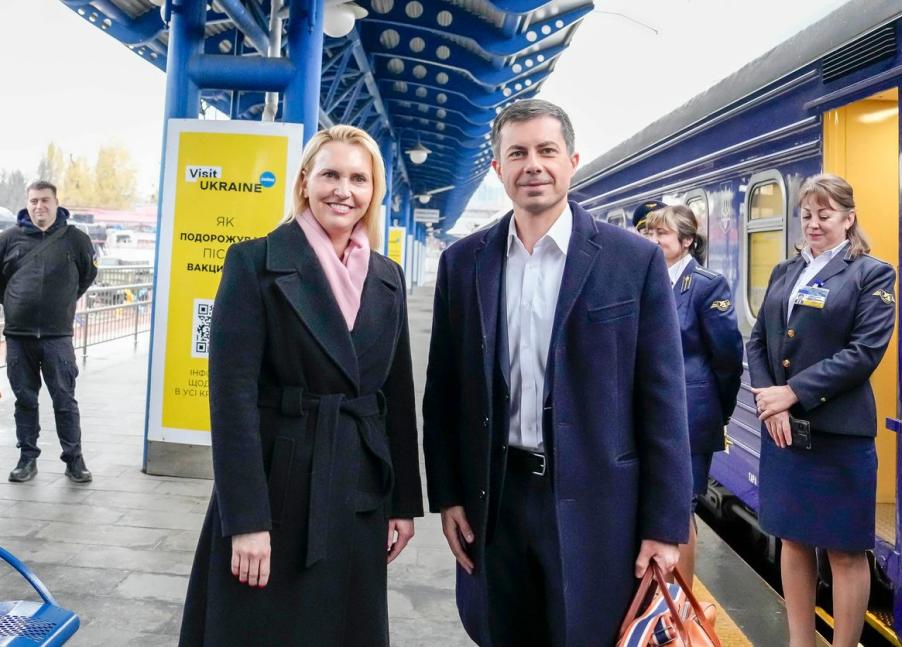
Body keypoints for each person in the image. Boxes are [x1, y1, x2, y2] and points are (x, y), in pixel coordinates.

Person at [422, 99, 692, 646]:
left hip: (596, 502)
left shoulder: (632, 261)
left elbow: (663, 400)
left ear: (572, 159)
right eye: (516, 153)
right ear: (498, 169)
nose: (533, 165)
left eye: (546, 150)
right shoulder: (464, 262)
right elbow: (444, 391)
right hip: (494, 500)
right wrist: (448, 495)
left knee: (585, 634)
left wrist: (664, 527)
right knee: (501, 633)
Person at [179, 125, 423, 646]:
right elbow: (231, 398)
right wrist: (245, 518)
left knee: (341, 628)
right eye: (331, 174)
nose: (344, 190)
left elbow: (396, 398)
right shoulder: (254, 262)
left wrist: (402, 502)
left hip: (357, 487)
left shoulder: (387, 276)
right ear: (305, 180)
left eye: (359, 178)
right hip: (276, 482)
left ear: (373, 192)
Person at [747, 173, 895, 647]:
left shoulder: (872, 274)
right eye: (806, 215)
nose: (812, 224)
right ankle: (801, 641)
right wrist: (770, 403)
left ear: (849, 218)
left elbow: (864, 351)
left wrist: (792, 393)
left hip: (838, 434)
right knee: (792, 539)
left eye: (824, 215)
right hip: (784, 430)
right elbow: (757, 341)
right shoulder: (784, 273)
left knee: (845, 550)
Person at [640, 205, 743, 585]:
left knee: (679, 509)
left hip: (690, 414)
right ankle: (655, 600)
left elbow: (728, 358)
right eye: (649, 233)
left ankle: (679, 606)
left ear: (686, 242)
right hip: (647, 412)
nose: (652, 240)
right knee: (653, 506)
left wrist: (717, 411)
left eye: (661, 234)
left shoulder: (705, 285)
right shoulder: (643, 278)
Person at [2, 180, 97, 484]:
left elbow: (87, 275)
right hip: (19, 336)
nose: (39, 206)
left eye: (45, 200)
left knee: (64, 400)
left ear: (57, 202)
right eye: (33, 201)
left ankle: (74, 460)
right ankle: (27, 459)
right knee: (25, 400)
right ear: (27, 204)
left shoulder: (76, 240)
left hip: (58, 337)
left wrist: (63, 303)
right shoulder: (9, 238)